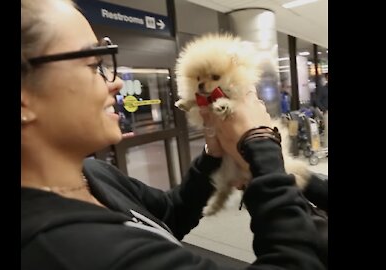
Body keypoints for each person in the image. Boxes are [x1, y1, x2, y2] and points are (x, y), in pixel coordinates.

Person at [21, 0, 327, 269]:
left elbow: (168, 213)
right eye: (94, 65)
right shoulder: (71, 249)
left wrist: (214, 155)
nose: (114, 81)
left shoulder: (92, 174)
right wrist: (260, 142)